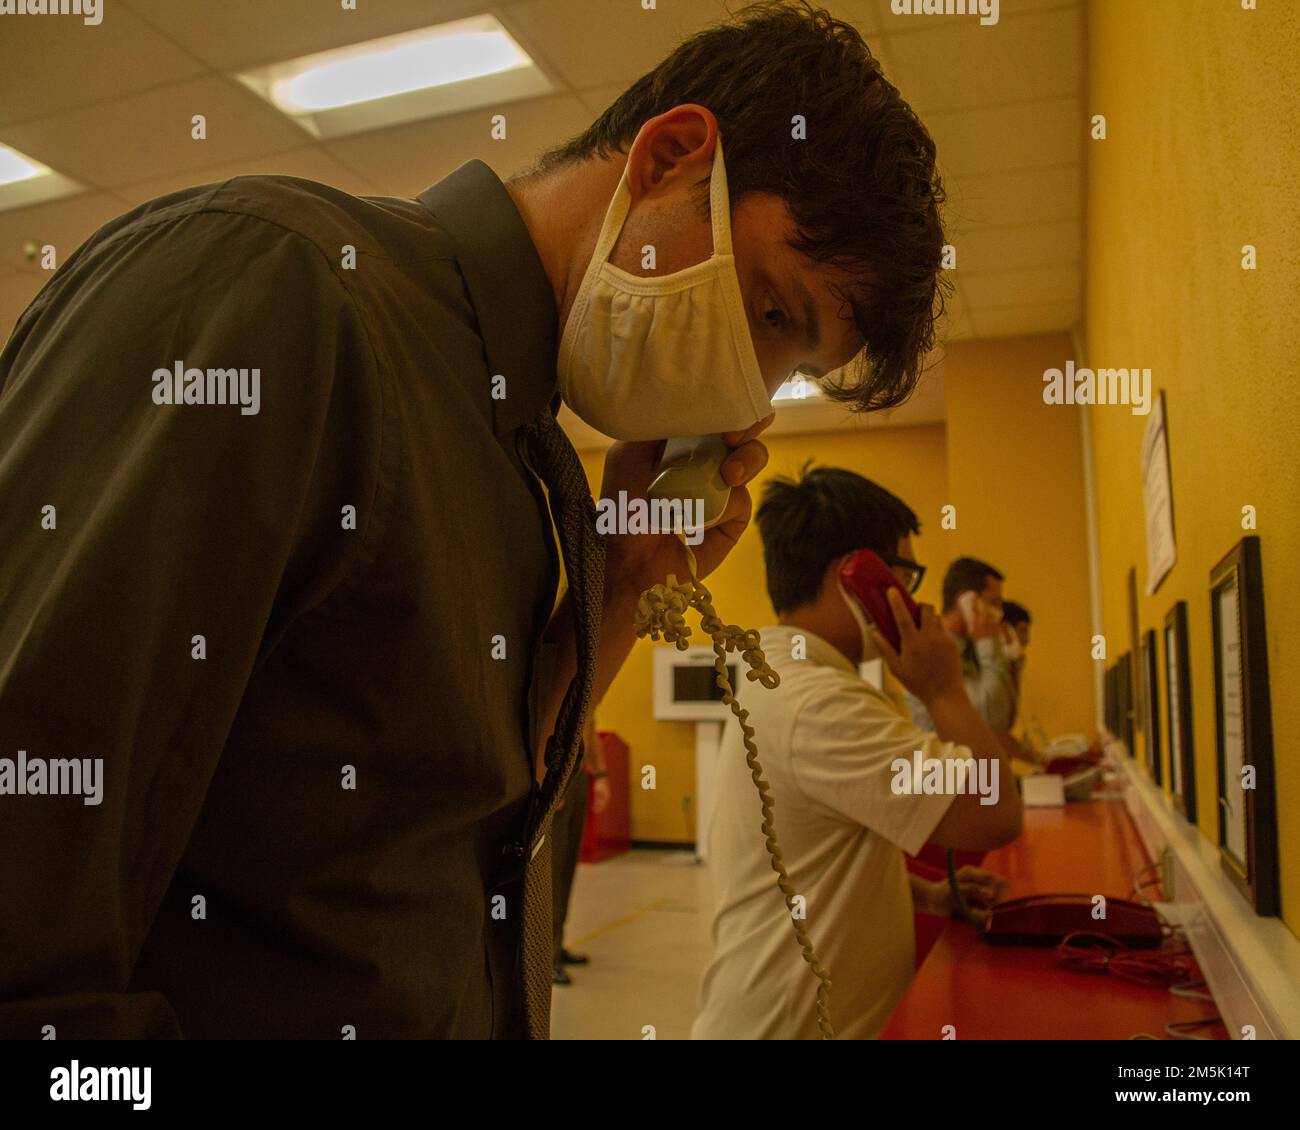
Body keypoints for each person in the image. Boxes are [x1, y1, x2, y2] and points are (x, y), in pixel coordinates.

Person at [0, 2, 947, 1038]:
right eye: (771, 313)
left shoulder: (529, 456)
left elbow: (450, 827)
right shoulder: (279, 288)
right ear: (673, 157)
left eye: (788, 368)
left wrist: (624, 586)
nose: (750, 397)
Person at [692, 466, 1020, 1040]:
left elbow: (817, 851)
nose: (913, 600)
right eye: (905, 575)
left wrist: (926, 893)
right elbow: (994, 813)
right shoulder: (817, 702)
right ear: (858, 577)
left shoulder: (786, 678)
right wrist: (944, 689)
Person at [905, 556, 1018, 734]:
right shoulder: (931, 649)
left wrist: (1014, 660)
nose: (999, 613)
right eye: (993, 602)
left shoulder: (970, 649)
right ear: (967, 600)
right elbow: (993, 719)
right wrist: (989, 644)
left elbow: (1006, 719)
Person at [551, 711, 611, 985]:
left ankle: (557, 943)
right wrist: (551, 782)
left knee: (566, 867)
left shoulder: (586, 679)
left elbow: (591, 726)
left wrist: (600, 774)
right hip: (557, 775)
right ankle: (544, 956)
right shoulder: (552, 676)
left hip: (579, 776)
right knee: (550, 872)